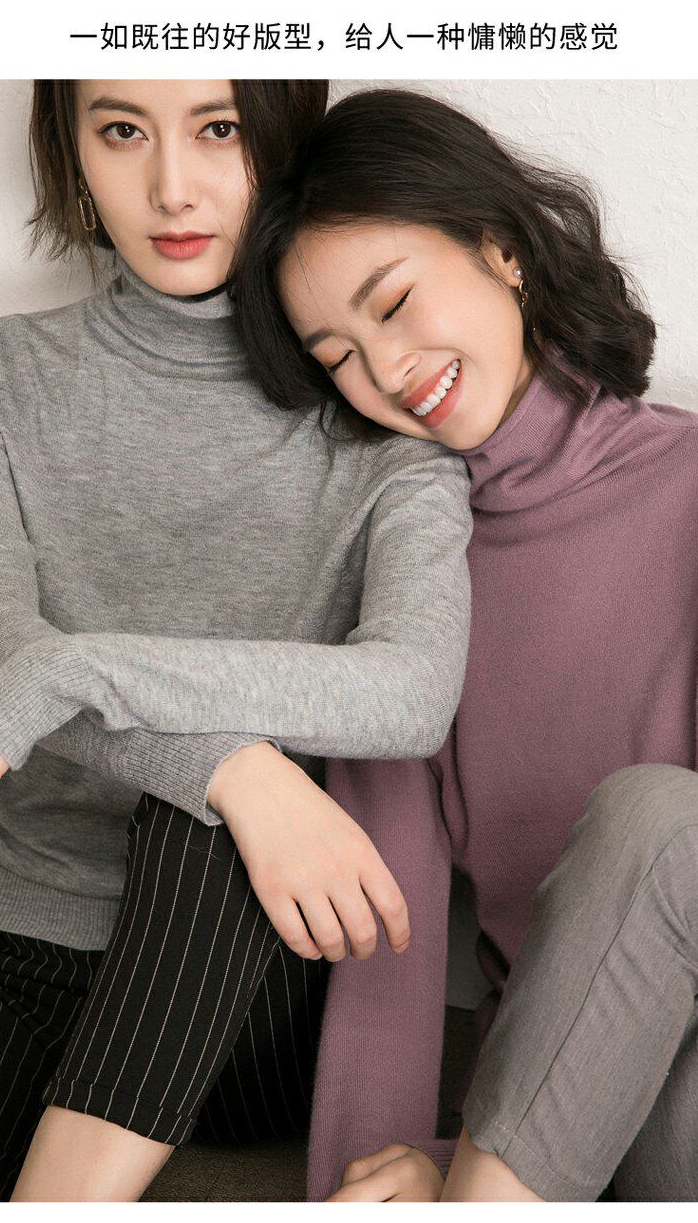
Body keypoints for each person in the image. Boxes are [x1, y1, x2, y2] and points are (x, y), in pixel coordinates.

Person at [0, 80, 472, 1202]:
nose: (172, 188)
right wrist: (230, 765)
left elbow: (412, 691)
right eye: (121, 131)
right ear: (70, 149)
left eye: (220, 130)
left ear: (283, 136)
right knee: (235, 779)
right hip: (5, 916)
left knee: (215, 820)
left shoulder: (382, 408)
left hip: (258, 974)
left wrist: (98, 686)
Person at [227, 87, 698, 1202]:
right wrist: (365, 1183)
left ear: (501, 248)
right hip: (567, 1129)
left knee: (658, 819)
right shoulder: (406, 588)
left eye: (394, 303)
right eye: (338, 355)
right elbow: (383, 934)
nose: (387, 370)